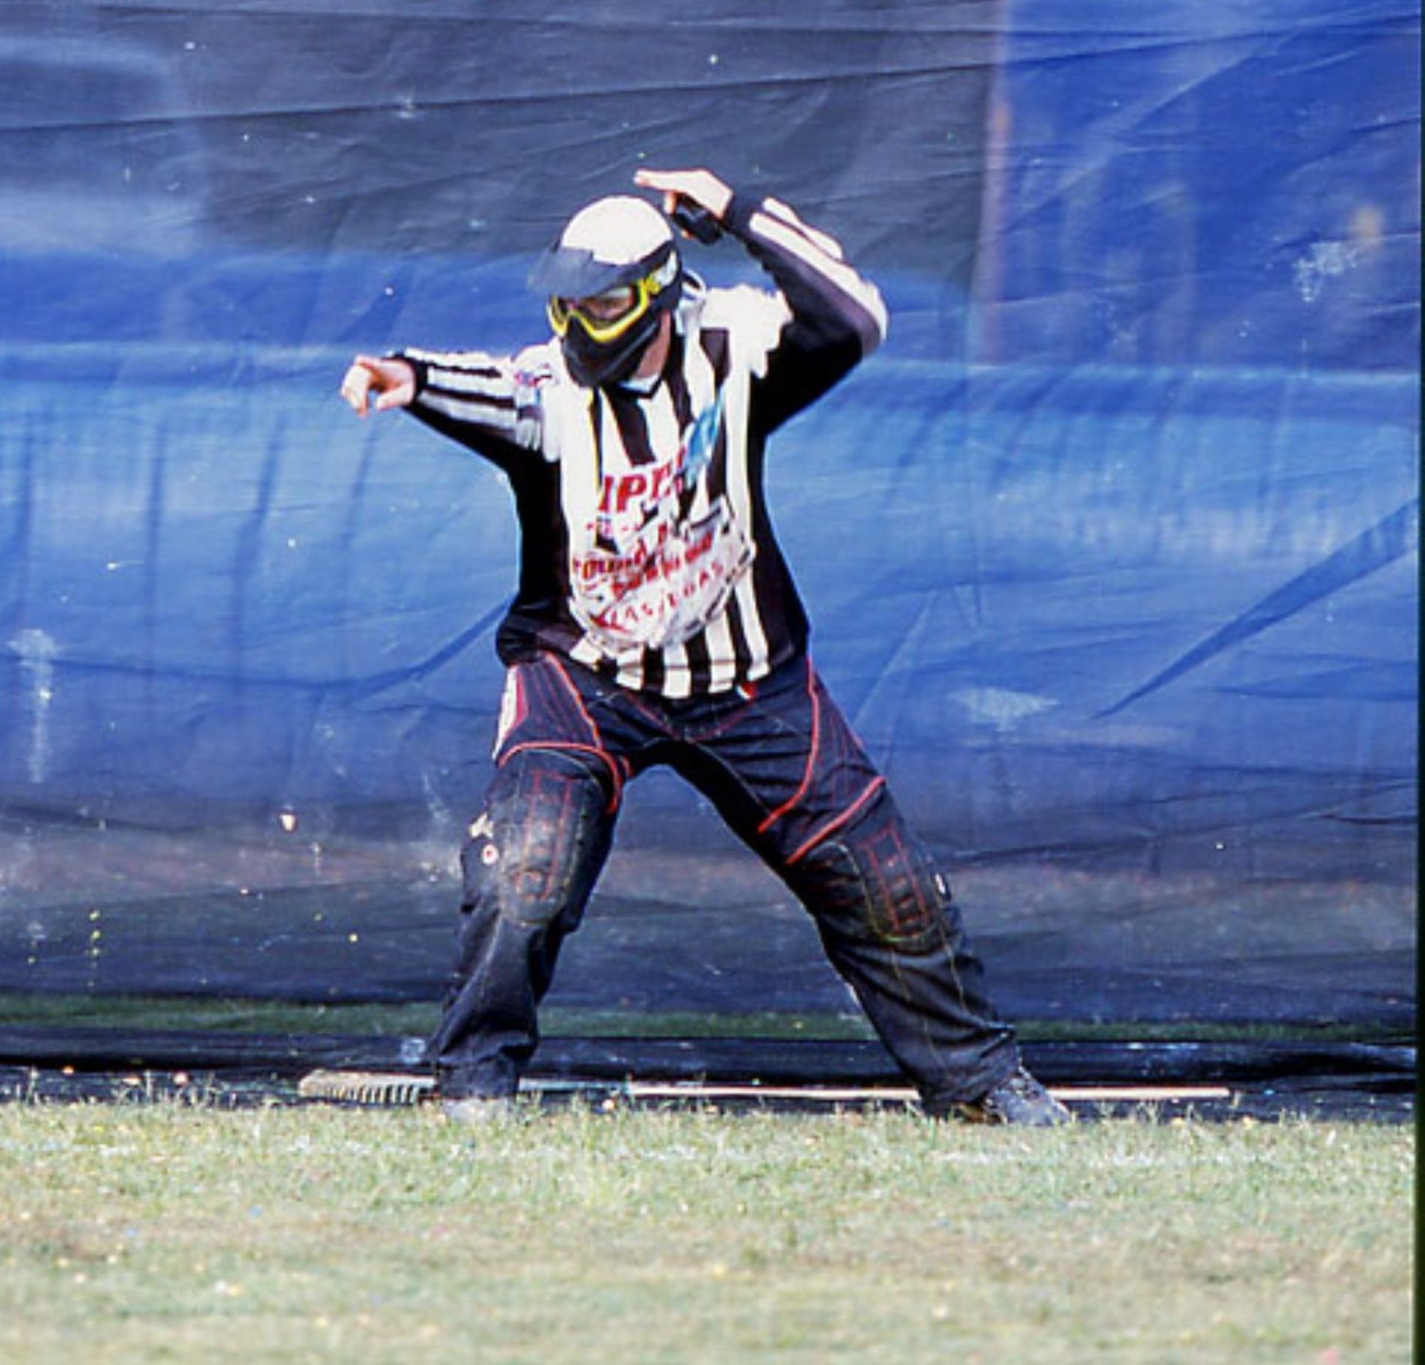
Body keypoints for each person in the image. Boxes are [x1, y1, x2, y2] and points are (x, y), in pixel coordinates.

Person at [340, 164, 1068, 1127]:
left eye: (602, 303)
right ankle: (472, 1088)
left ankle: (977, 1084)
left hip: (748, 677)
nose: (580, 323)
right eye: (568, 303)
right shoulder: (550, 390)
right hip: (585, 675)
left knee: (884, 881)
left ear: (656, 293)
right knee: (527, 867)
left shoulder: (734, 342)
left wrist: (740, 209)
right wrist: (406, 377)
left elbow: (855, 314)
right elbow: (484, 383)